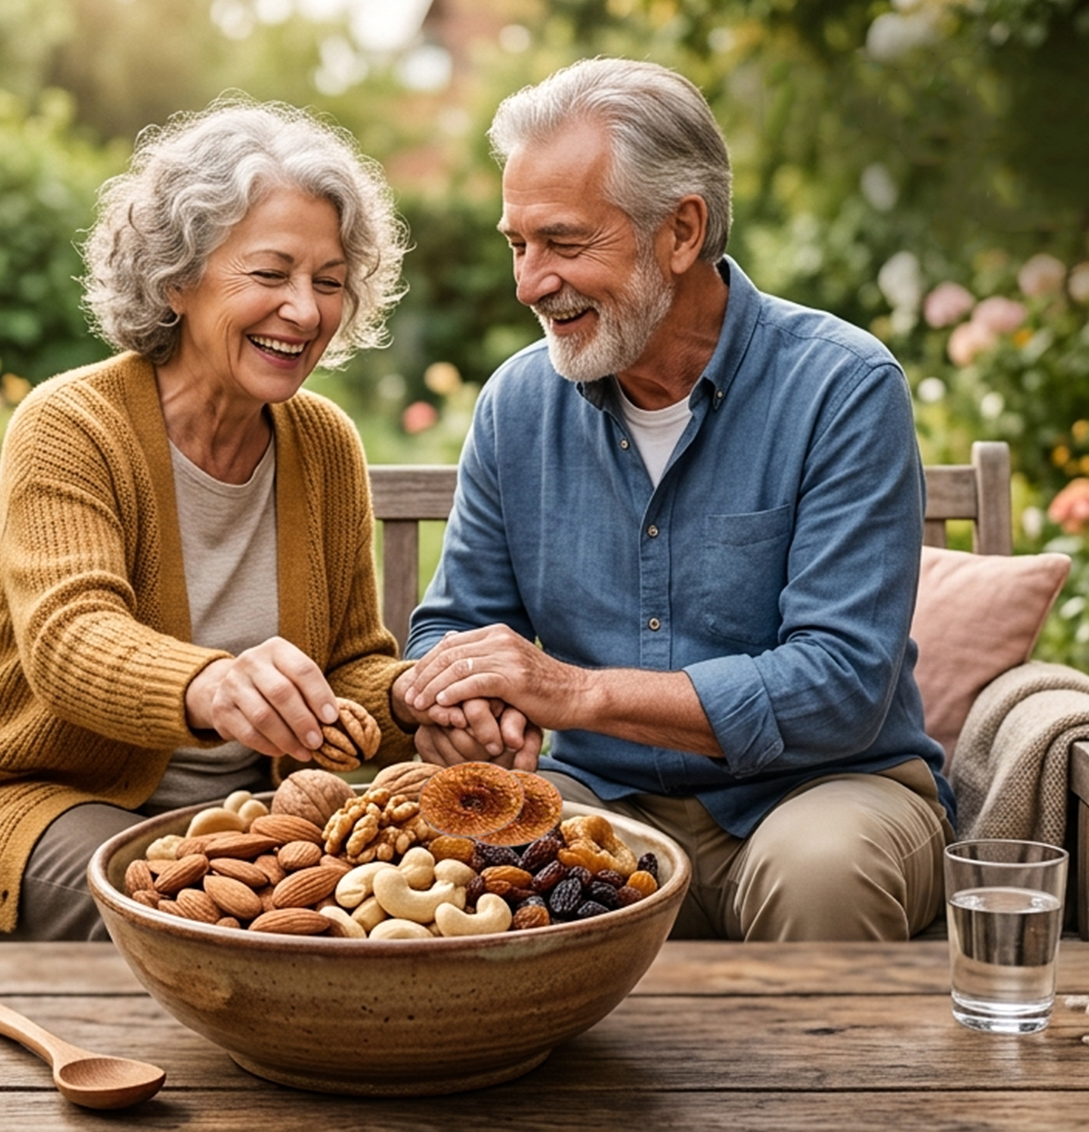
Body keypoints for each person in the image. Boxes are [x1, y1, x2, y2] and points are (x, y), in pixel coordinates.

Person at [402, 58, 956, 942]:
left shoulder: (842, 387)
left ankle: (818, 1088)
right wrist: (461, 706)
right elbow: (452, 626)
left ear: (682, 231)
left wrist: (572, 692)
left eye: (565, 242)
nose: (529, 284)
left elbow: (841, 684)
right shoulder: (517, 403)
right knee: (446, 849)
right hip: (600, 796)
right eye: (518, 244)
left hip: (821, 790)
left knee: (824, 872)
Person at [0, 99, 469, 939]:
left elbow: (345, 669)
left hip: (253, 831)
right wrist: (212, 683)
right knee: (159, 908)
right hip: (29, 802)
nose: (305, 311)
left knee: (369, 911)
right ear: (176, 278)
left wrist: (412, 699)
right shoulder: (73, 424)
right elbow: (69, 638)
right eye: (270, 275)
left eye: (329, 281)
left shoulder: (325, 443)